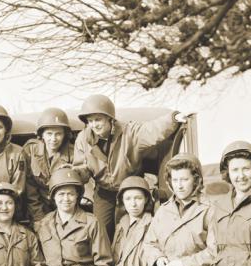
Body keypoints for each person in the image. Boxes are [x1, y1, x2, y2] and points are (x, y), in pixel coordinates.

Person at [72, 94, 187, 239]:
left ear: (109, 118)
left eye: (98, 119)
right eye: (90, 121)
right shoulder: (83, 139)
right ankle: (106, 261)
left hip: (131, 186)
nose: (94, 125)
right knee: (101, 230)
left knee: (134, 227)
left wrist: (173, 118)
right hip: (104, 190)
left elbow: (152, 130)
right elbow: (82, 166)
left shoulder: (129, 132)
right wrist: (76, 174)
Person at [23, 107, 76, 226]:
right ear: (42, 135)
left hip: (65, 206)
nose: (53, 139)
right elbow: (30, 190)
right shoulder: (30, 151)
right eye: (49, 134)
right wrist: (39, 219)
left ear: (64, 135)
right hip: (38, 207)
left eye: (58, 134)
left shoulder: (73, 153)